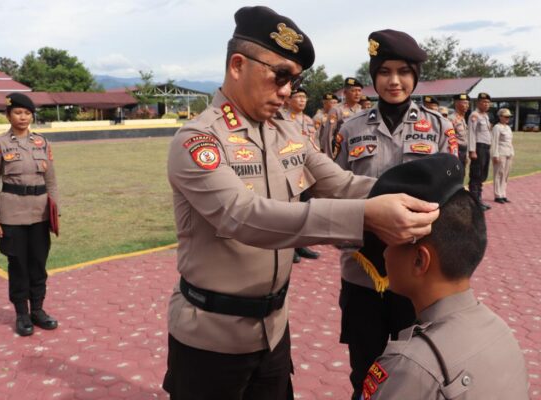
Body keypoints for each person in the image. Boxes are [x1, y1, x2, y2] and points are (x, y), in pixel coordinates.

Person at [163, 7, 441, 400]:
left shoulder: (286, 131)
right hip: (211, 337)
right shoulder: (198, 141)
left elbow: (340, 183)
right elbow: (242, 217)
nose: (287, 92)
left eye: (294, 81)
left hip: (274, 329)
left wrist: (416, 198)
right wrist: (364, 217)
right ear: (238, 65)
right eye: (280, 76)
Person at [334, 29, 459, 398]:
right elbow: (336, 189)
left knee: (415, 369)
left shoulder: (438, 128)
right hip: (361, 271)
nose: (394, 81)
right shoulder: (350, 128)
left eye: (404, 71)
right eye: (385, 71)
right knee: (364, 370)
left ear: (415, 77)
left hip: (417, 273)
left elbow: (451, 198)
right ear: (373, 77)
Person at [360, 153, 529, 399]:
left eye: (388, 242)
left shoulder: (411, 367)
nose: (383, 253)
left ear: (420, 260)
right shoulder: (501, 332)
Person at [0, 93, 60, 337]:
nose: (23, 117)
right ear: (8, 115)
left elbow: (52, 181)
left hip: (39, 213)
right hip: (11, 215)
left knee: (38, 264)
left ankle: (37, 310)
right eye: (18, 112)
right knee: (18, 265)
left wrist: (54, 212)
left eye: (27, 113)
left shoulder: (42, 143)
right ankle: (22, 314)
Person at [283, 87, 322, 262]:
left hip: (307, 170)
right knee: (289, 210)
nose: (302, 100)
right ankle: (288, 248)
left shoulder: (308, 120)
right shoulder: (281, 119)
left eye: (304, 97)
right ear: (288, 100)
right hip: (288, 170)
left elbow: (316, 144)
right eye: (298, 97)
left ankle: (300, 244)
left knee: (305, 208)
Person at [320, 77, 364, 159]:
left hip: (358, 152)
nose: (357, 93)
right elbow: (328, 136)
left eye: (359, 90)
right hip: (342, 153)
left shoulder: (361, 110)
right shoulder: (336, 110)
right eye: (353, 91)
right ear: (345, 93)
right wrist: (329, 158)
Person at [468, 92, 493, 210]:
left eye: (488, 102)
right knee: (476, 174)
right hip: (478, 147)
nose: (486, 104)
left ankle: (479, 199)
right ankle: (474, 202)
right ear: (478, 103)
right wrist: (472, 150)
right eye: (484, 102)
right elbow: (471, 133)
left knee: (482, 174)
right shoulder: (474, 115)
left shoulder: (486, 116)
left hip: (486, 148)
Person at [491, 108, 515, 204]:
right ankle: (497, 195)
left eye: (509, 117)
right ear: (500, 117)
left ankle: (503, 194)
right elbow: (494, 142)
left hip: (508, 152)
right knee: (498, 174)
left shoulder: (508, 127)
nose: (507, 118)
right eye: (505, 116)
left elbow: (510, 142)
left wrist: (512, 152)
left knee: (505, 175)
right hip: (500, 152)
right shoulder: (497, 127)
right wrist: (495, 154)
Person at [450, 93, 470, 170]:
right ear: (456, 103)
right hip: (456, 151)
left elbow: (465, 138)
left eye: (468, 103)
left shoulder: (462, 119)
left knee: (462, 174)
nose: (467, 105)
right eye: (464, 103)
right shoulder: (451, 119)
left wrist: (467, 154)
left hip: (463, 151)